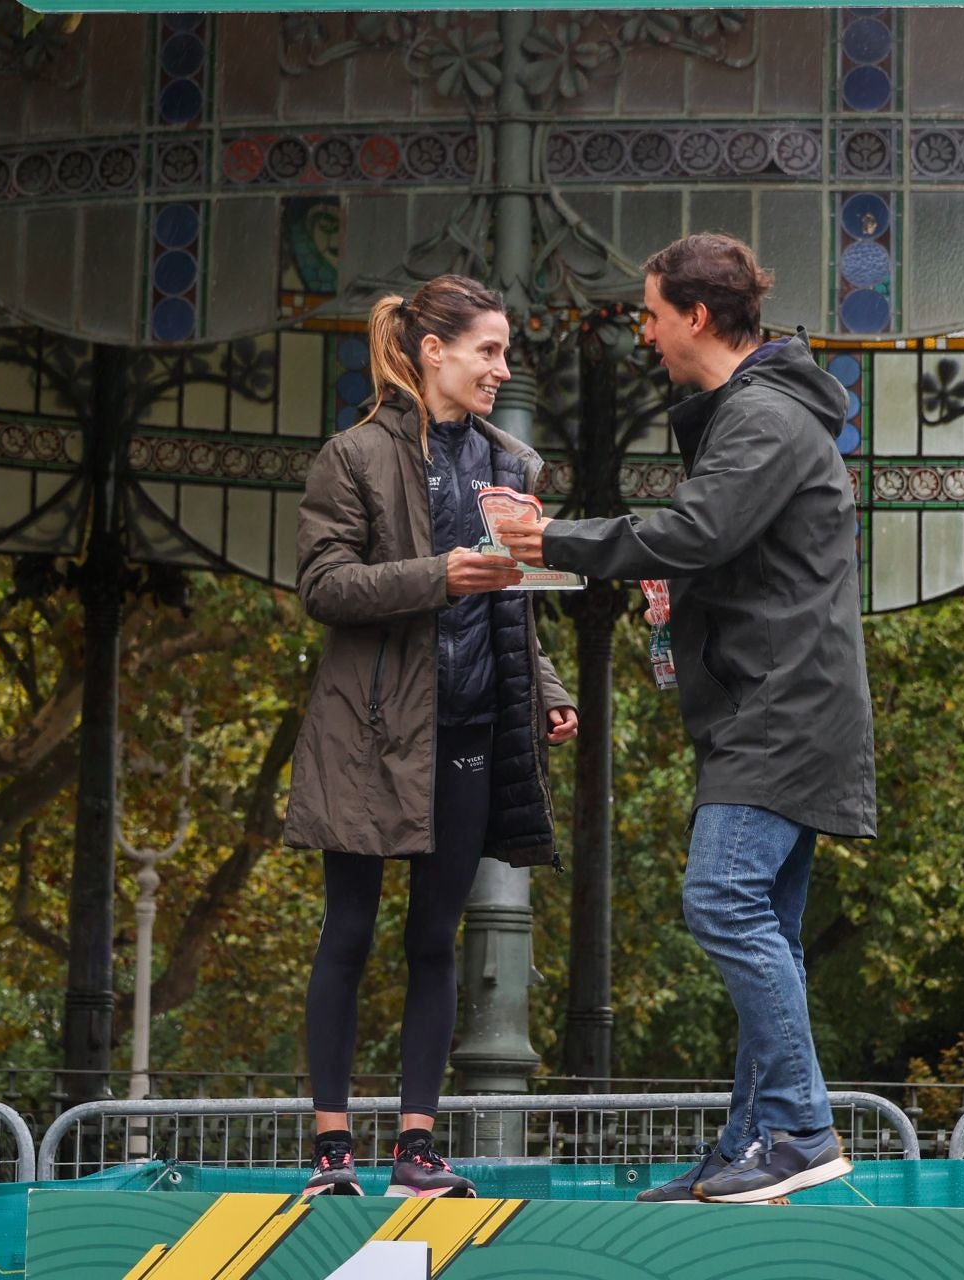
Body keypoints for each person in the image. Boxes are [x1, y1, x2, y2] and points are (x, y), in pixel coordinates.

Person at [497, 233, 877, 1204]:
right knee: (766, 928)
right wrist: (684, 596)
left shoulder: (761, 414)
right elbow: (730, 550)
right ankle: (752, 1142)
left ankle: (800, 1129)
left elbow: (697, 528)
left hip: (781, 714)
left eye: (653, 315)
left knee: (720, 900)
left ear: (697, 317)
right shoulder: (762, 413)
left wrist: (548, 536)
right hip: (784, 707)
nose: (647, 333)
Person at [284, 274, 578, 1199]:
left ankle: (417, 1150)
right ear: (432, 352)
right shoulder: (352, 456)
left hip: (474, 729)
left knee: (434, 941)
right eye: (488, 350)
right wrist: (436, 576)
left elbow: (513, 602)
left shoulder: (512, 466)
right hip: (368, 733)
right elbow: (323, 586)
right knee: (348, 932)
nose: (502, 368)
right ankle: (333, 1153)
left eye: (505, 351)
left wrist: (549, 690)